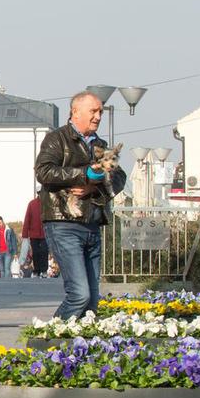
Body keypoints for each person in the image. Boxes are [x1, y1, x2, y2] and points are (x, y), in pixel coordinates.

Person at [35, 90, 126, 319]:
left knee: (92, 302)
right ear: (75, 112)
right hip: (63, 223)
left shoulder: (100, 144)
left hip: (92, 225)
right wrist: (83, 175)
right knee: (79, 295)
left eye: (100, 112)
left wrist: (94, 185)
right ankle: (47, 339)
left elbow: (119, 177)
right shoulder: (57, 139)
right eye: (93, 111)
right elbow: (44, 171)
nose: (98, 116)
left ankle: (78, 350)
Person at [22, 192, 49, 277]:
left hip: (45, 233)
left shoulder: (48, 203)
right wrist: (25, 234)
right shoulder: (32, 203)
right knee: (36, 252)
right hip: (34, 233)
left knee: (44, 251)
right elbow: (27, 218)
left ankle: (44, 270)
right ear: (38, 193)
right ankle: (36, 271)